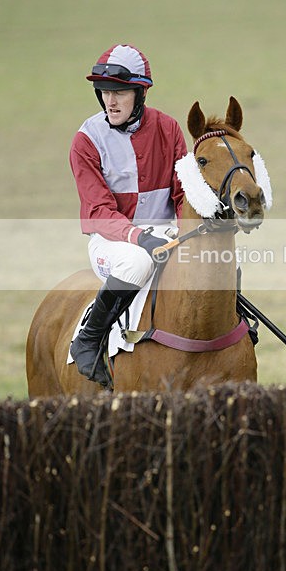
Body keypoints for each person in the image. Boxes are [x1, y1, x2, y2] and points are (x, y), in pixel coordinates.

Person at [69, 44, 187, 384]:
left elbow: (181, 194)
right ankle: (88, 341)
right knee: (138, 263)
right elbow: (98, 211)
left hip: (164, 237)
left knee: (216, 256)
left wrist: (190, 232)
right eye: (104, 92)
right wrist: (138, 237)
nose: (111, 101)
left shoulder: (169, 128)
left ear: (140, 92)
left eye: (119, 92)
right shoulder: (86, 140)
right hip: (112, 242)